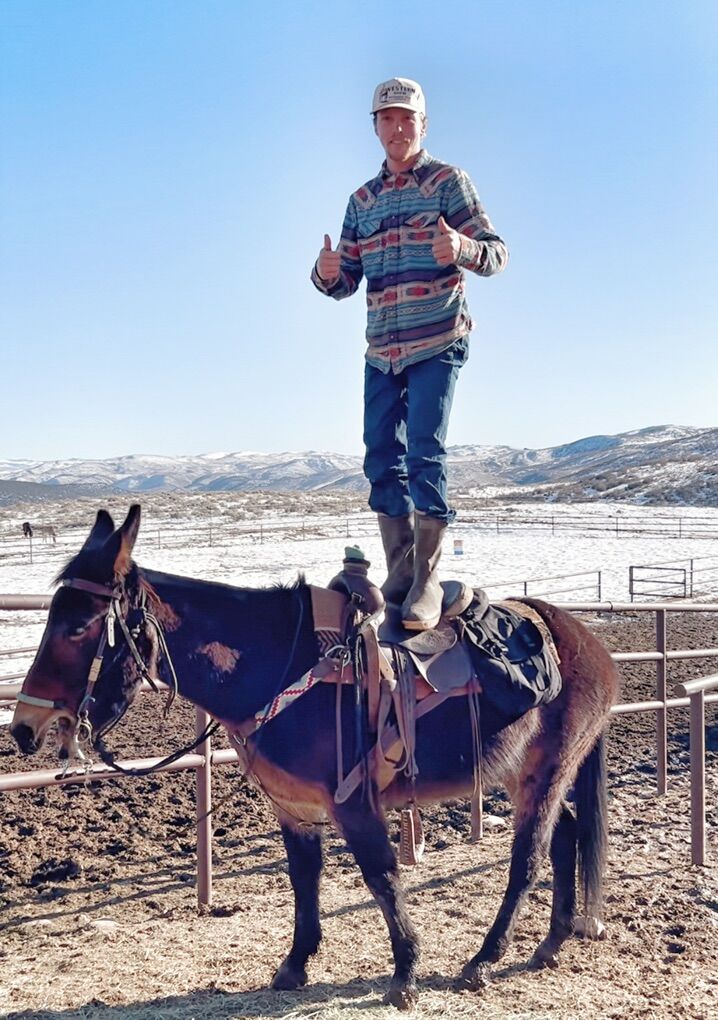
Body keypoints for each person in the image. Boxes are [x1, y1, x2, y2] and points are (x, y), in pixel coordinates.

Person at [312, 77, 508, 630]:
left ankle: (427, 578)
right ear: (375, 127)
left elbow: (496, 254)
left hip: (437, 338)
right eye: (387, 119)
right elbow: (345, 278)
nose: (397, 128)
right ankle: (399, 572)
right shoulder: (362, 201)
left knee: (424, 453)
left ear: (422, 125)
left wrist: (463, 248)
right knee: (381, 456)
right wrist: (325, 273)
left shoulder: (449, 183)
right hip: (382, 349)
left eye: (406, 119)